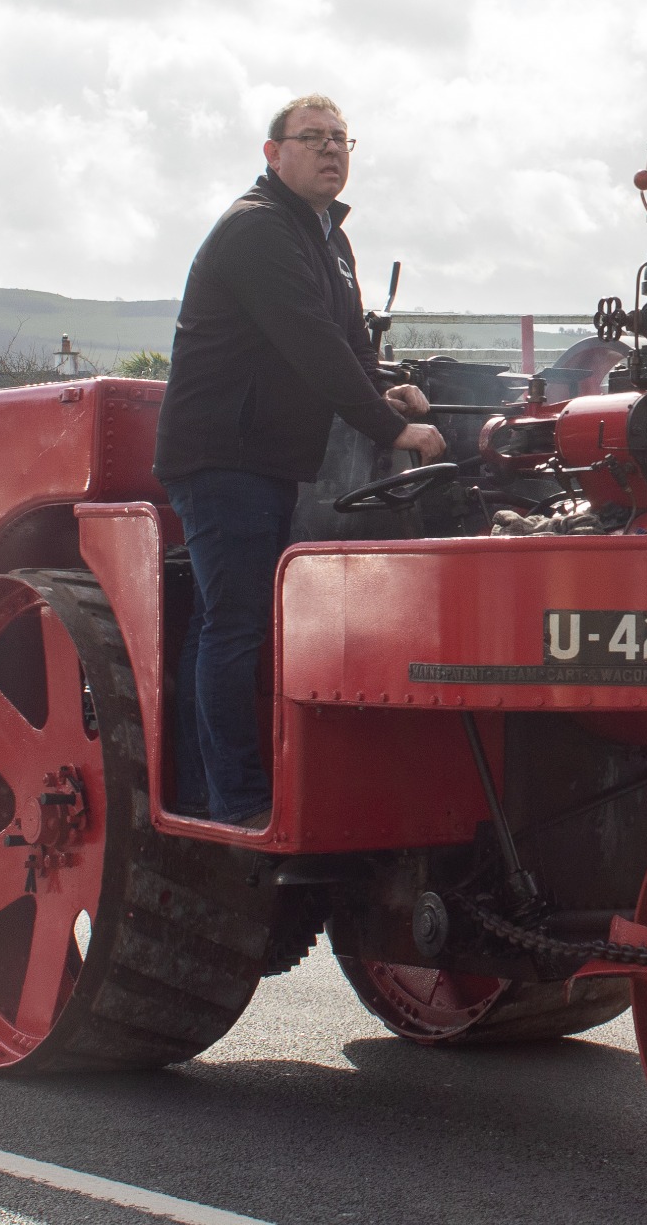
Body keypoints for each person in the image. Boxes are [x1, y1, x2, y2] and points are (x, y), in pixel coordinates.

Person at [152, 95, 444, 828]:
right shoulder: (258, 229)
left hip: (269, 457)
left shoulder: (329, 240)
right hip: (223, 454)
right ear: (271, 152)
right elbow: (308, 341)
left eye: (340, 139)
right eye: (311, 138)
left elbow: (345, 348)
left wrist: (388, 387)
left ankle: (208, 784)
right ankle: (233, 797)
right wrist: (390, 428)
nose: (329, 150)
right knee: (236, 622)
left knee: (230, 622)